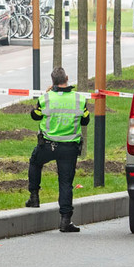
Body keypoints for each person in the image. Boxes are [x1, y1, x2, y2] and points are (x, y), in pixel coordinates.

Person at [24, 66, 90, 232]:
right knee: (65, 182)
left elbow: (35, 116)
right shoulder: (79, 99)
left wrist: (45, 97)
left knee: (35, 162)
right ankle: (65, 220)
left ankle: (34, 196)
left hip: (47, 145)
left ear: (52, 81)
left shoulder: (46, 98)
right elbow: (85, 121)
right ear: (67, 78)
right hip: (69, 147)